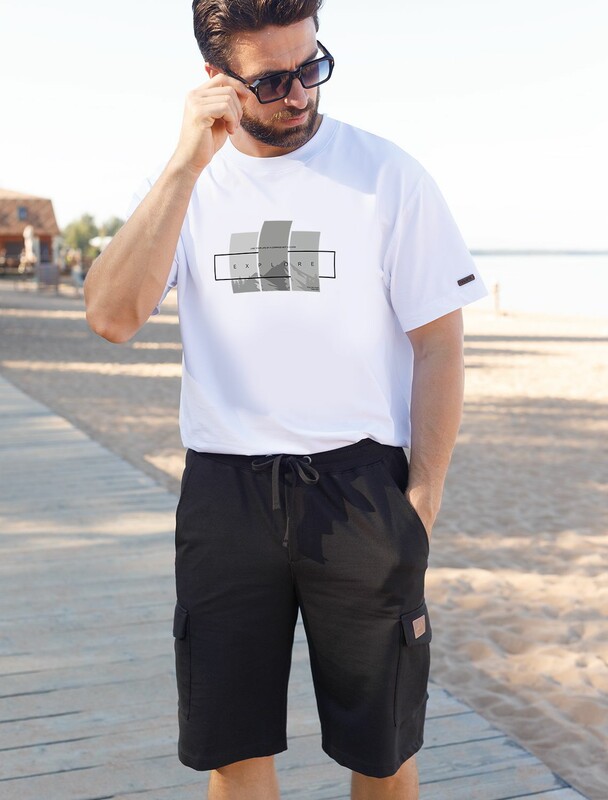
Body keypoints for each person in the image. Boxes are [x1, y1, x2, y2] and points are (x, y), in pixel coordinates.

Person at [84, 1, 487, 797]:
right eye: (272, 80)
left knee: (383, 751)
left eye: (312, 66)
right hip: (225, 494)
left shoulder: (386, 175)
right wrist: (183, 165)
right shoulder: (185, 186)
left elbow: (439, 344)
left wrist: (423, 498)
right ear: (216, 79)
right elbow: (112, 317)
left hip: (360, 489)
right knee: (233, 753)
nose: (300, 93)